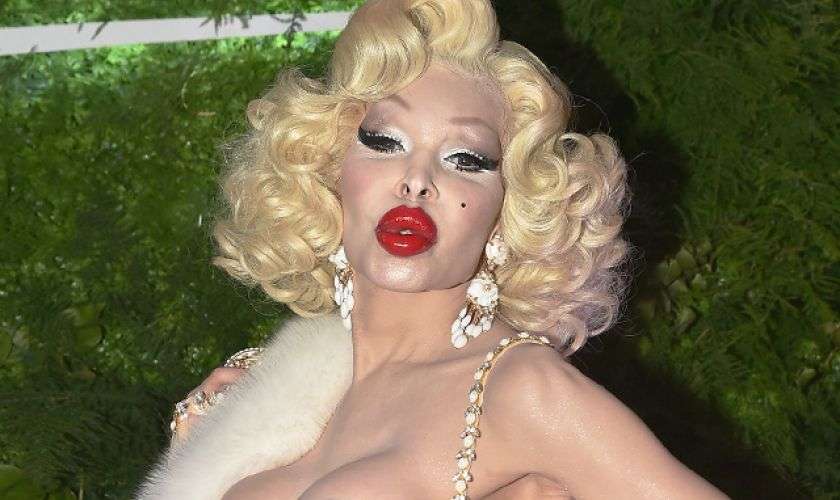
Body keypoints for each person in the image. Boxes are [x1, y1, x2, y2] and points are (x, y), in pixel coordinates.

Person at [137, 0, 728, 498]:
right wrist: (198, 448)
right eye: (384, 142)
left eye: (465, 159)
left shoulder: (518, 389)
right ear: (328, 171)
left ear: (510, 207)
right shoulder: (276, 391)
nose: (417, 180)